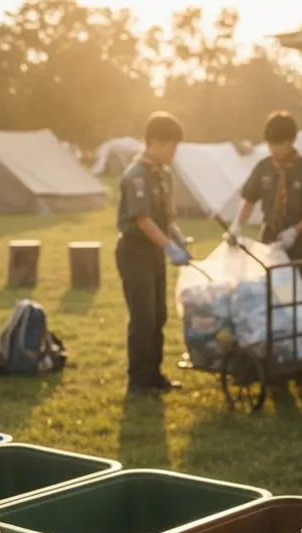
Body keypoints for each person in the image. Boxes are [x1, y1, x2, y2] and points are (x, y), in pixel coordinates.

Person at [116, 111, 191, 397]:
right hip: (135, 250)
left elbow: (164, 216)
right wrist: (168, 246)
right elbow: (142, 219)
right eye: (172, 145)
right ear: (155, 143)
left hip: (155, 250)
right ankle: (138, 381)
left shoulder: (163, 174)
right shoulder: (136, 175)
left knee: (158, 315)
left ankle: (154, 375)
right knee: (143, 317)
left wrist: (177, 238)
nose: (175, 152)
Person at [228, 111, 302, 284]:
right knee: (270, 293)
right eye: (270, 144)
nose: (273, 149)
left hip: (298, 243)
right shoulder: (263, 168)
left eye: (278, 144)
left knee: (296, 294)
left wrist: (295, 231)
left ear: (290, 141)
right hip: (269, 240)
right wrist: (237, 224)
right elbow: (249, 198)